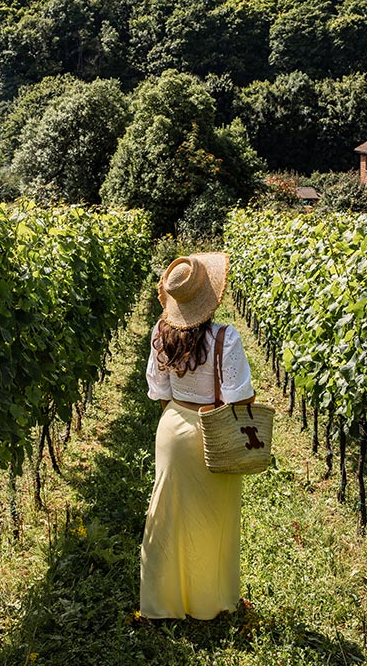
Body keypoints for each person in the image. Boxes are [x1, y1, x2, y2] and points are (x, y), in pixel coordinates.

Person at [140, 252, 254, 620]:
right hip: (213, 433)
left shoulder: (161, 334)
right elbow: (240, 395)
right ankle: (210, 602)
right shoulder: (225, 337)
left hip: (172, 428)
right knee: (213, 518)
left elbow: (159, 391)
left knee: (167, 515)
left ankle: (163, 604)